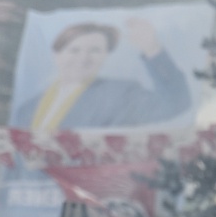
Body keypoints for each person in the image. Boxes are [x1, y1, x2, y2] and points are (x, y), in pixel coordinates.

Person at [10, 19, 192, 132]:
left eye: (95, 51)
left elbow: (176, 103)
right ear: (56, 55)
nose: (83, 58)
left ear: (105, 56)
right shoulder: (27, 109)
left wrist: (152, 49)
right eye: (74, 50)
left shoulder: (119, 94)